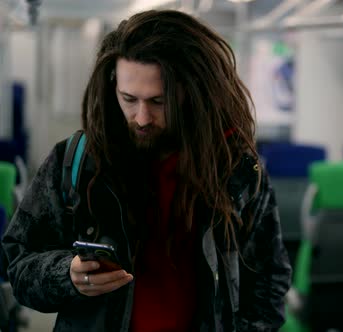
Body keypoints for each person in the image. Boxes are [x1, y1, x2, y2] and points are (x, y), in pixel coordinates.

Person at [2, 10, 292, 332]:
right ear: (113, 86)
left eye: (158, 101)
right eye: (129, 99)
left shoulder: (235, 169)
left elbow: (269, 278)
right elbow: (19, 263)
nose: (141, 118)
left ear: (192, 93)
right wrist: (66, 275)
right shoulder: (77, 160)